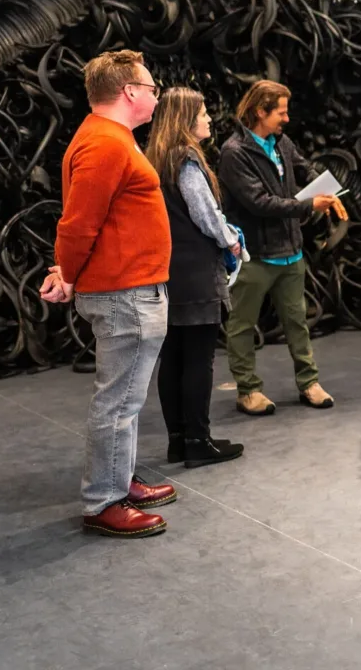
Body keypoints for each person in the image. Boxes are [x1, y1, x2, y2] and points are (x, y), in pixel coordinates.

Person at [41, 49, 179, 538]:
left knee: (126, 400)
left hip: (131, 288)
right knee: (118, 402)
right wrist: (70, 274)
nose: (156, 96)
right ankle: (104, 501)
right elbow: (78, 224)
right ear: (129, 92)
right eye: (151, 88)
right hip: (125, 293)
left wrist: (69, 272)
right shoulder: (105, 144)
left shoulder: (112, 139)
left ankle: (119, 479)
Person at [218, 80, 346, 416]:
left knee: (297, 321)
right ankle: (248, 390)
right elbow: (259, 202)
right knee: (243, 325)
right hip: (255, 257)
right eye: (281, 112)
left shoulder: (281, 142)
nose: (286, 119)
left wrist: (325, 186)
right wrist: (308, 206)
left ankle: (310, 383)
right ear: (261, 111)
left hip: (291, 253)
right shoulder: (234, 153)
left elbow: (304, 168)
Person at [144, 87, 247, 468]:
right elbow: (205, 214)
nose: (207, 119)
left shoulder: (156, 159)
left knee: (173, 358)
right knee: (199, 360)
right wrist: (231, 241)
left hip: (169, 273)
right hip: (197, 274)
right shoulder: (186, 160)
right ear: (187, 119)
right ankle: (198, 442)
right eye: (202, 113)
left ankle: (179, 441)